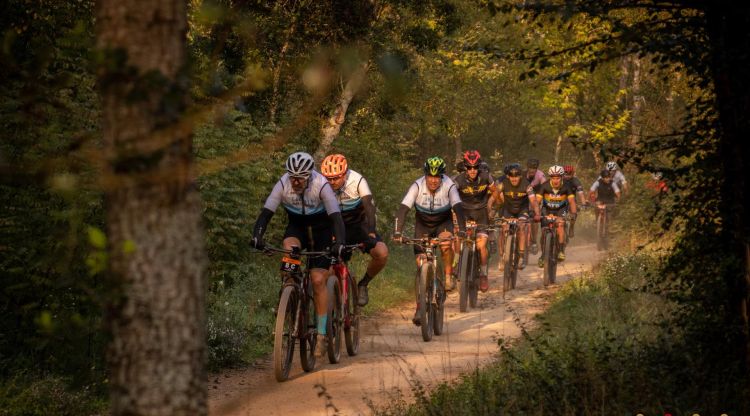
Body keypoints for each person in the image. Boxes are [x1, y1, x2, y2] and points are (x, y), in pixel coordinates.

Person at [251, 152, 346, 356]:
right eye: (292, 176)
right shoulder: (283, 183)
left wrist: (339, 243)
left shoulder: (321, 184)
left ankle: (321, 334)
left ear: (309, 175)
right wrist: (257, 236)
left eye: (300, 177)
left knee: (318, 279)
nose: (295, 181)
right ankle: (289, 293)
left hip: (321, 231)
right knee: (289, 251)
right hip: (297, 229)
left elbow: (336, 218)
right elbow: (266, 214)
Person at [393, 156, 467, 326]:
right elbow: (403, 210)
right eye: (430, 177)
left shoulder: (449, 185)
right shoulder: (417, 186)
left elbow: (458, 208)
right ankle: (420, 306)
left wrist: (461, 229)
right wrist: (397, 232)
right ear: (425, 175)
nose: (433, 181)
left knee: (446, 244)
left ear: (442, 177)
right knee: (420, 263)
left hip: (443, 224)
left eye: (437, 177)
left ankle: (448, 276)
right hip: (423, 226)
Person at [320, 154, 389, 307]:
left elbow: (369, 207)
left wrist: (371, 232)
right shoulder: (320, 183)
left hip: (358, 225)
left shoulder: (357, 180)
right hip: (334, 226)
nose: (332, 182)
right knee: (327, 269)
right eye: (328, 178)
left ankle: (363, 284)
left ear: (345, 173)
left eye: (336, 178)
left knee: (381, 253)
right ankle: (332, 306)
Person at [451, 150, 502, 292]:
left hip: (481, 213)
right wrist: (452, 213)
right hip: (464, 212)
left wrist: (493, 206)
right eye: (469, 167)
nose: (472, 171)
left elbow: (496, 192)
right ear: (465, 167)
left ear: (479, 166)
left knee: (481, 245)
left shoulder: (486, 177)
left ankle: (484, 275)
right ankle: (456, 264)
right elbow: (450, 197)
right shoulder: (458, 180)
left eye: (475, 167)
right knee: (457, 238)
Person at [496, 163, 539, 269]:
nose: (514, 178)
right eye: (511, 176)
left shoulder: (526, 185)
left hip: (522, 210)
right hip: (508, 210)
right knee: (503, 229)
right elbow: (493, 199)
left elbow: (533, 201)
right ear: (508, 176)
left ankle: (521, 256)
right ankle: (501, 257)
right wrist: (490, 212)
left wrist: (537, 213)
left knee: (521, 227)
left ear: (520, 176)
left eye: (516, 176)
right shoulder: (503, 184)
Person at [535, 165, 577, 267]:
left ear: (562, 177)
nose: (555, 181)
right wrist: (535, 213)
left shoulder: (567, 186)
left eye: (558, 178)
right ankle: (542, 255)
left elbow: (571, 202)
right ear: (550, 178)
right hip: (546, 209)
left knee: (560, 225)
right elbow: (537, 202)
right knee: (544, 231)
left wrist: (573, 213)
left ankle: (561, 250)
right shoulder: (544, 186)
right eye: (553, 178)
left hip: (560, 210)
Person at [526, 158, 546, 254]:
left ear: (537, 168)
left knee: (534, 218)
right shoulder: (523, 174)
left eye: (534, 168)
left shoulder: (540, 175)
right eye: (530, 167)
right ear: (527, 167)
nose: (532, 169)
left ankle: (534, 242)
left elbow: (545, 186)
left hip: (537, 197)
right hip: (525, 197)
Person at [563, 165, 586, 238]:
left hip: (571, 200)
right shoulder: (559, 179)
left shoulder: (576, 181)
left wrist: (583, 204)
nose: (567, 176)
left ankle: (571, 227)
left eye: (569, 174)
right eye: (565, 174)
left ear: (573, 174)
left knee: (574, 212)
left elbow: (581, 194)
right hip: (559, 199)